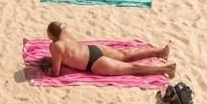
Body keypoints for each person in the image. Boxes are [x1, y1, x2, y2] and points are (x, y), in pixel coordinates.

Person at [46, 23, 175, 77]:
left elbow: (56, 71)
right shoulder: (66, 34)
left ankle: (167, 69)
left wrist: (48, 68)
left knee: (131, 68)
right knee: (125, 54)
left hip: (93, 63)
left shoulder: (56, 46)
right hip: (93, 49)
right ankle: (160, 51)